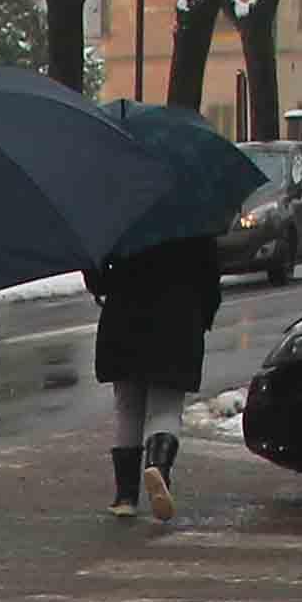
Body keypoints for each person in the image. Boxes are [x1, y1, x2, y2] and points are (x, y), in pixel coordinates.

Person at [87, 222, 225, 525]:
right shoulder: (192, 219)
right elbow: (210, 279)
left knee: (127, 408)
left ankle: (125, 496)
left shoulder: (119, 215)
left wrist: (102, 280)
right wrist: (203, 316)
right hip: (177, 320)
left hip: (123, 318)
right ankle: (158, 469)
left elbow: (98, 278)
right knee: (165, 407)